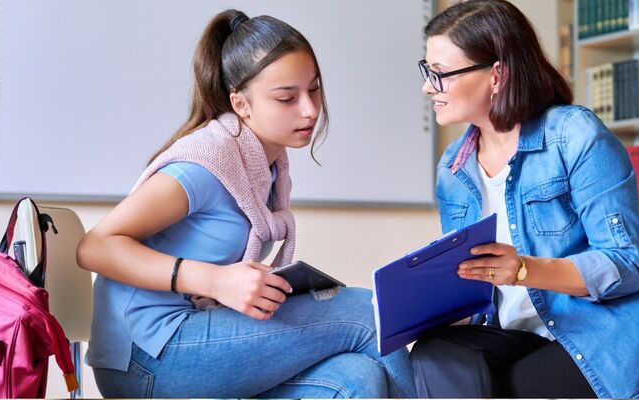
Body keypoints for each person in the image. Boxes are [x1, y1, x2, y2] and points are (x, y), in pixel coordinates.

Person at [76, 10, 415, 398]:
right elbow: (95, 246)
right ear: (240, 104)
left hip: (196, 338)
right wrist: (216, 280)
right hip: (145, 358)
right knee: (366, 313)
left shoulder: (266, 167)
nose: (310, 109)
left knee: (356, 379)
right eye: (287, 97)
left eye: (315, 90)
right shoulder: (205, 164)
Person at [409, 1, 639, 398]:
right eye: (428, 71)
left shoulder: (575, 135)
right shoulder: (454, 168)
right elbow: (479, 288)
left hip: (619, 335)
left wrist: (523, 270)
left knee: (514, 389)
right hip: (529, 339)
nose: (428, 86)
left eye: (441, 74)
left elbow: (625, 265)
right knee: (434, 356)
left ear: (497, 74)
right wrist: (420, 305)